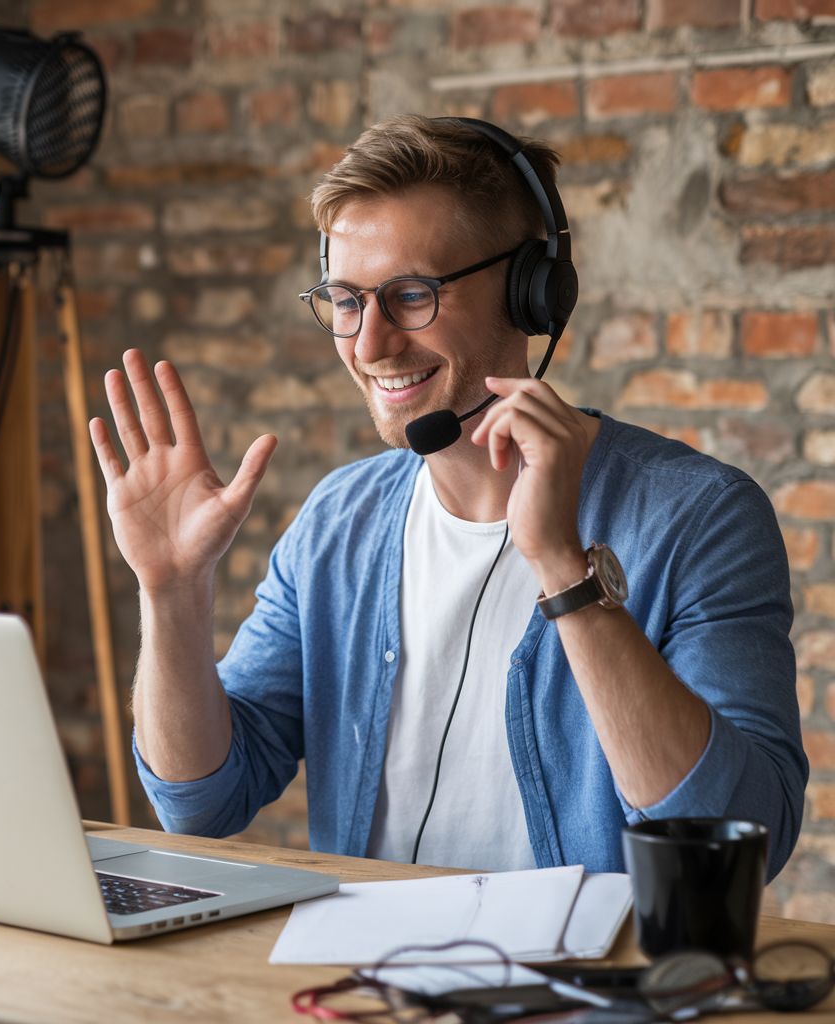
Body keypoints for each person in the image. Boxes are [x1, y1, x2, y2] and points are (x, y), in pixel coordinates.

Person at [88, 114, 807, 880]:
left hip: (589, 994)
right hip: (368, 989)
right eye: (345, 300)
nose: (368, 346)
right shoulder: (340, 522)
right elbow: (201, 802)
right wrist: (170, 592)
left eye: (409, 294)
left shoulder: (699, 517)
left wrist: (564, 569)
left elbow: (741, 844)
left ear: (531, 293)